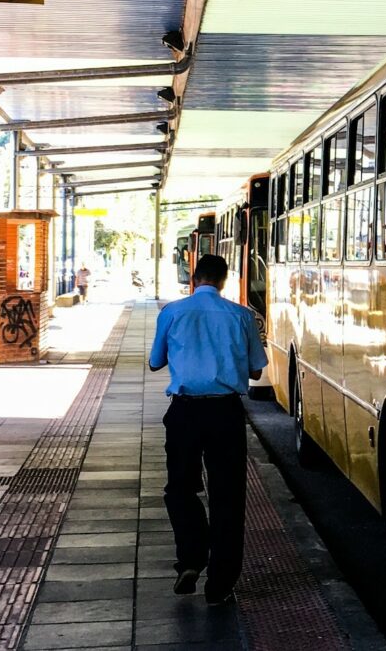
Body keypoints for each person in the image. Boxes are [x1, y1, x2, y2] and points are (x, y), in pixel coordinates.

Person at [148, 254, 267, 606]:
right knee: (227, 496)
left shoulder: (172, 312)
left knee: (179, 489)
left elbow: (156, 362)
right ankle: (220, 585)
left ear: (194, 279)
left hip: (184, 413)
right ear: (224, 281)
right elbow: (257, 372)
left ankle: (191, 557)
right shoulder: (242, 315)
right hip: (225, 413)